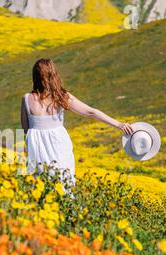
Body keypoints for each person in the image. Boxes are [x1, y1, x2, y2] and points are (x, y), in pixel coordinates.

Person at [21, 58, 134, 194]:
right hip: (59, 148)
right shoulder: (61, 96)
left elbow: (26, 129)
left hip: (37, 152)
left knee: (39, 189)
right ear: (53, 75)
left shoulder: (26, 99)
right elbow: (90, 112)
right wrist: (119, 124)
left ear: (35, 76)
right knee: (64, 187)